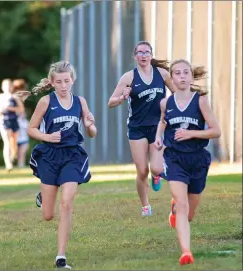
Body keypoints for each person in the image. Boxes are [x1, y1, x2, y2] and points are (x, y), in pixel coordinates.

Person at [19, 61, 97, 269]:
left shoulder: (80, 102)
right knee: (48, 215)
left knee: (67, 203)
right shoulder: (46, 102)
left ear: (72, 81)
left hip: (72, 155)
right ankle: (43, 197)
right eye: (59, 82)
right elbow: (31, 129)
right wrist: (47, 137)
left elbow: (92, 132)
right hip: (50, 155)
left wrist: (90, 125)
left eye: (67, 81)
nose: (64, 85)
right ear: (52, 82)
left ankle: (61, 257)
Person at [154, 59, 221, 265]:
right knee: (183, 206)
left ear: (191, 77)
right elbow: (163, 121)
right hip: (174, 159)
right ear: (172, 78)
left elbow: (216, 131)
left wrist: (191, 133)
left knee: (188, 214)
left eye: (185, 73)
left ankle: (175, 209)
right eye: (177, 73)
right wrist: (158, 136)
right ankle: (186, 252)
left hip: (198, 160)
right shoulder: (166, 103)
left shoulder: (200, 101)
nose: (182, 76)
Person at [108, 40, 175, 217]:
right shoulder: (128, 77)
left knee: (156, 168)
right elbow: (111, 102)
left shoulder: (162, 74)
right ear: (135, 56)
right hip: (137, 128)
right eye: (140, 52)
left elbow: (177, 93)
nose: (143, 56)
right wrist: (122, 97)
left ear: (151, 55)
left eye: (146, 52)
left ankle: (157, 175)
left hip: (158, 126)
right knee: (142, 170)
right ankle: (146, 206)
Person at [0, 79, 24, 171]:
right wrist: (0, 111)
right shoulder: (0, 97)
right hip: (4, 121)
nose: (7, 88)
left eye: (9, 86)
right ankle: (8, 164)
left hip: (14, 121)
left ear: (12, 87)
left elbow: (21, 110)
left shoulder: (15, 97)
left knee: (14, 143)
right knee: (7, 142)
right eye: (5, 86)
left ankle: (12, 158)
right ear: (2, 87)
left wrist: (10, 108)